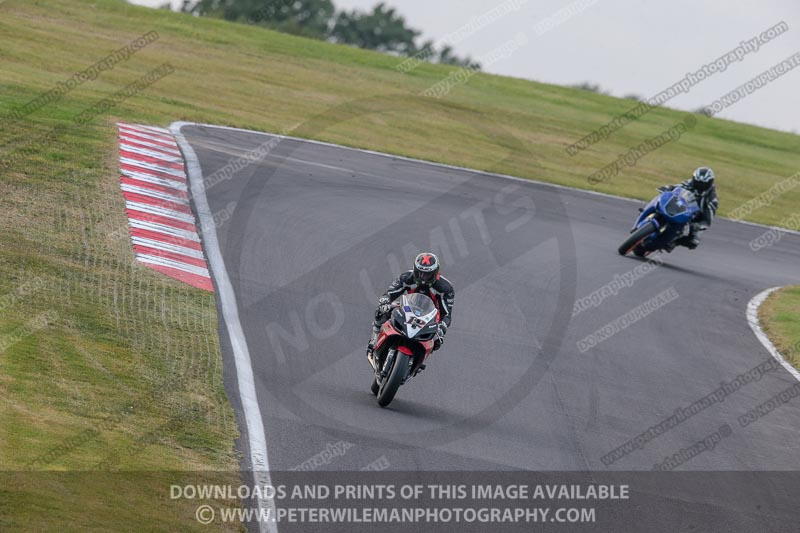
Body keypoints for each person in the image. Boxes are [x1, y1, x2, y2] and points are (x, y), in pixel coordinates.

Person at [366, 252, 454, 361]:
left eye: (427, 275)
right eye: (420, 273)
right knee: (382, 311)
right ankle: (374, 339)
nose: (423, 278)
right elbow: (391, 293)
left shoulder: (445, 288)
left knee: (437, 341)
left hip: (430, 316)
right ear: (415, 270)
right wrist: (385, 300)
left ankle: (416, 361)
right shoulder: (406, 277)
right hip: (408, 307)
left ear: (435, 273)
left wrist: (442, 326)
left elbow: (447, 314)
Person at [658, 166, 718, 250]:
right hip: (679, 206)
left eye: (703, 184)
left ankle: (674, 242)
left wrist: (697, 225)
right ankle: (649, 212)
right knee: (660, 199)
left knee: (694, 242)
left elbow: (707, 221)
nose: (699, 186)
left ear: (710, 183)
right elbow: (676, 187)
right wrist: (667, 188)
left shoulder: (712, 199)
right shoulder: (689, 183)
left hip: (693, 218)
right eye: (697, 183)